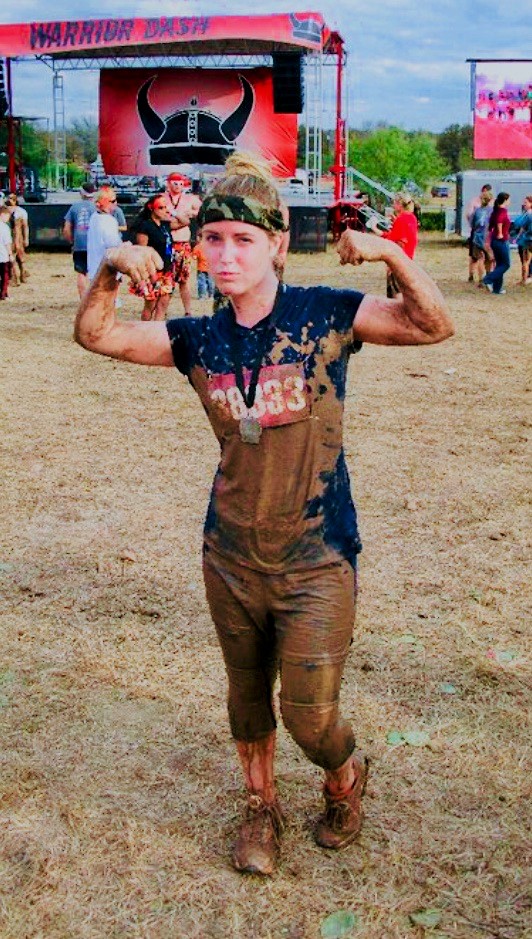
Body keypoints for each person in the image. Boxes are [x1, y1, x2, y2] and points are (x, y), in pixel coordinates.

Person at [73, 153, 454, 877]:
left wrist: (391, 253)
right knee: (247, 700)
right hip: (230, 555)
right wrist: (111, 270)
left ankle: (344, 777)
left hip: (317, 556)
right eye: (212, 239)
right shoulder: (198, 339)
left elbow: (432, 325)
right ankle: (260, 805)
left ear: (277, 244)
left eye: (243, 240)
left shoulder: (326, 314)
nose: (225, 254)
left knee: (310, 716)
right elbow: (98, 335)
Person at [129, 194, 175, 321]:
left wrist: (173, 212)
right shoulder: (145, 226)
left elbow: (185, 221)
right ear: (151, 208)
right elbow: (141, 252)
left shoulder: (165, 225)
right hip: (153, 270)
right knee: (151, 304)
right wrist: (147, 275)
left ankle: (157, 330)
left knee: (163, 303)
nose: (164, 210)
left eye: (165, 207)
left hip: (166, 268)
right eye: (161, 207)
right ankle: (145, 328)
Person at [163, 172, 202, 316]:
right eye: (174, 183)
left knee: (184, 280)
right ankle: (162, 310)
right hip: (168, 244)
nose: (177, 186)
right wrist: (180, 219)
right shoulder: (162, 198)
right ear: (168, 184)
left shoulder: (189, 199)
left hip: (183, 244)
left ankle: (188, 311)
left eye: (180, 183)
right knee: (167, 279)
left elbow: (200, 210)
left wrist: (188, 213)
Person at [369, 192, 419, 297]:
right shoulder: (412, 218)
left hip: (398, 262)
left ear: (400, 205)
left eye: (395, 203)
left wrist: (391, 264)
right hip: (408, 261)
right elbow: (402, 236)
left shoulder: (401, 220)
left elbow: (399, 242)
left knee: (395, 294)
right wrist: (395, 222)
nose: (393, 205)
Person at [63, 182, 97, 297]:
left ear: (81, 193)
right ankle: (94, 298)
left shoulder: (74, 207)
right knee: (96, 272)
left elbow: (67, 228)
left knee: (81, 272)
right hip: (94, 244)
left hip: (79, 244)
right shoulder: (97, 207)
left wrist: (71, 242)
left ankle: (83, 299)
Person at [87, 187, 122, 283]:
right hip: (107, 270)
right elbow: (112, 244)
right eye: (113, 201)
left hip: (94, 268)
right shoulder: (109, 220)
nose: (116, 203)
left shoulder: (94, 217)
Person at [481, 192, 511, 295]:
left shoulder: (495, 211)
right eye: (509, 199)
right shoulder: (502, 211)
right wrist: (500, 233)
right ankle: (488, 279)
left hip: (495, 241)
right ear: (505, 200)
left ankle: (497, 289)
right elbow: (499, 221)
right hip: (501, 241)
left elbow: (490, 226)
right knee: (506, 264)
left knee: (499, 265)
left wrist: (488, 240)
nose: (510, 201)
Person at [466, 184, 492, 282]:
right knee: (488, 259)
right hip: (488, 238)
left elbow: (471, 222)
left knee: (479, 258)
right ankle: (488, 276)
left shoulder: (476, 211)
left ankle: (480, 279)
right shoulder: (492, 211)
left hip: (477, 237)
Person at [6, 193, 30, 285]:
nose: (8, 200)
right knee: (10, 258)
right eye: (8, 198)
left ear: (15, 200)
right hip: (8, 236)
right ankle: (14, 278)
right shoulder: (5, 211)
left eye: (11, 198)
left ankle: (23, 275)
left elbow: (25, 226)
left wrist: (26, 238)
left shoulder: (21, 212)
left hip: (18, 237)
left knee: (21, 257)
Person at [512, 195, 532, 286]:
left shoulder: (528, 215)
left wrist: (517, 237)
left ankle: (524, 280)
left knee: (525, 262)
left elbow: (521, 226)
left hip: (527, 241)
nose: (524, 204)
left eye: (526, 203)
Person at [0, 205, 14, 300]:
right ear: (3, 215)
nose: (8, 218)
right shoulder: (4, 227)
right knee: (5, 276)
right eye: (8, 216)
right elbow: (7, 243)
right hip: (3, 256)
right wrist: (10, 254)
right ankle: (3, 294)